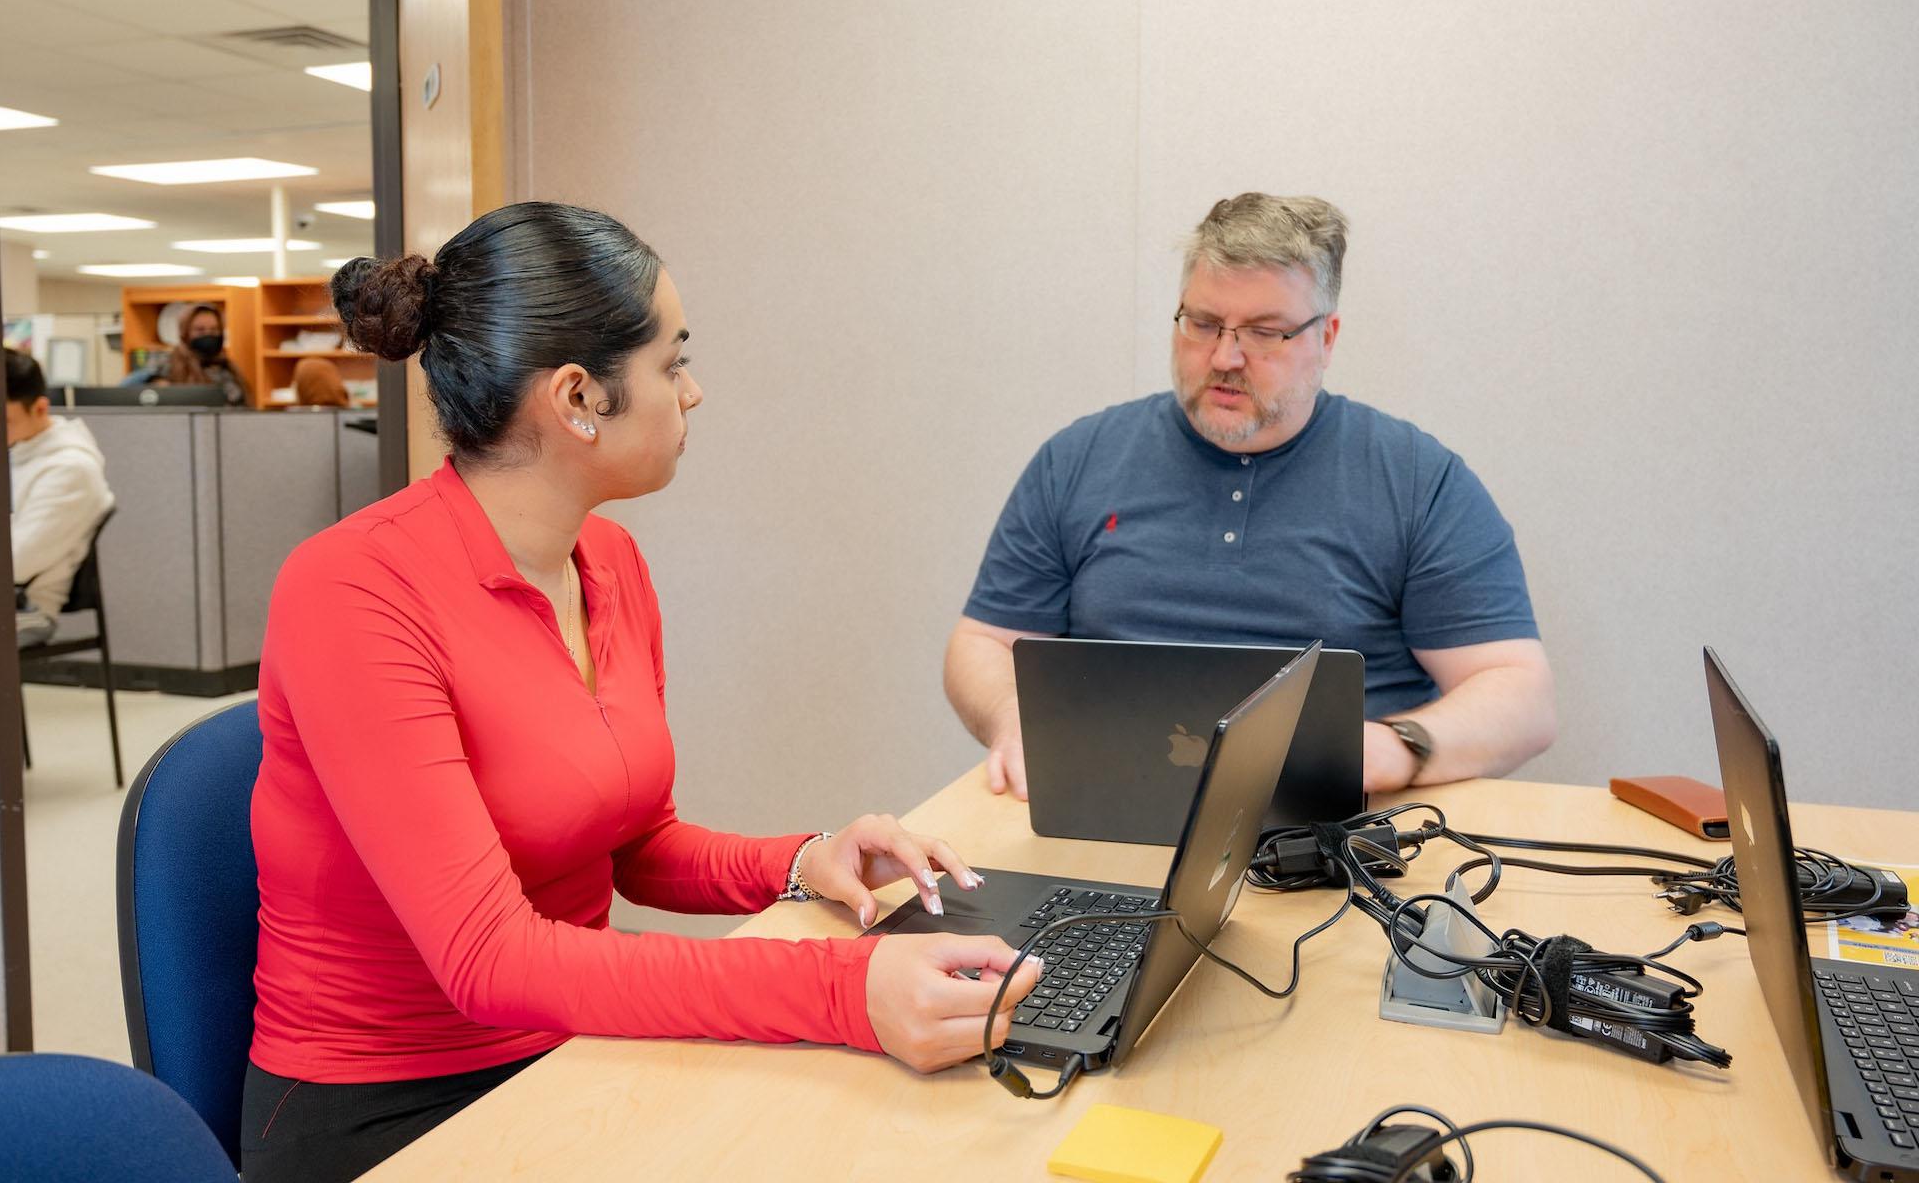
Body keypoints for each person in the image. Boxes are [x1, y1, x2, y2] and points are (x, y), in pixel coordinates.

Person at [244, 202, 1040, 1182]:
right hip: (383, 1106)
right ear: (578, 396)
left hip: (566, 1049)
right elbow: (488, 960)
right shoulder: (352, 593)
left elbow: (637, 848)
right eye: (671, 364)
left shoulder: (607, 561)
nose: (693, 393)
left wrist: (802, 860)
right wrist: (845, 988)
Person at [944, 192, 1555, 799]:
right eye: (1202, 324)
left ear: (1327, 338)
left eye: (1265, 333)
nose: (1224, 357)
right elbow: (982, 643)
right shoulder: (1078, 459)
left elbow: (1521, 696)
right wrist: (1014, 720)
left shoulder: (1418, 480)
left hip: (1336, 831)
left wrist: (1396, 746)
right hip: (1099, 807)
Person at [3, 348, 114, 647]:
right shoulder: (16, 450)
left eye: (5, 420)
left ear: (39, 408)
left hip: (23, 608)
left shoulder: (71, 469)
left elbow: (16, 563)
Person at [121, 303, 247, 404]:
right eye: (200, 330)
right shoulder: (166, 362)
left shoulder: (226, 366)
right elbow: (126, 389)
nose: (208, 334)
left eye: (214, 329)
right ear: (186, 332)